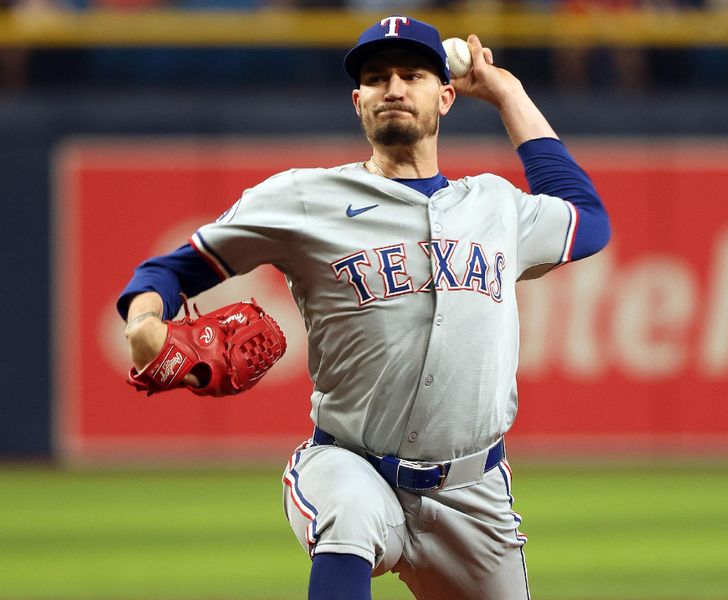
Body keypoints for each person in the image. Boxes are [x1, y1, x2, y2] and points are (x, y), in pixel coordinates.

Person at [118, 15, 611, 600]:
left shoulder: (498, 209)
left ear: (446, 95)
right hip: (350, 463)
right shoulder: (304, 198)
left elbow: (588, 219)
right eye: (377, 79)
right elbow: (171, 270)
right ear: (358, 102)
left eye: (412, 74)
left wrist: (507, 92)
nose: (394, 88)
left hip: (472, 493)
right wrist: (145, 319)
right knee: (348, 515)